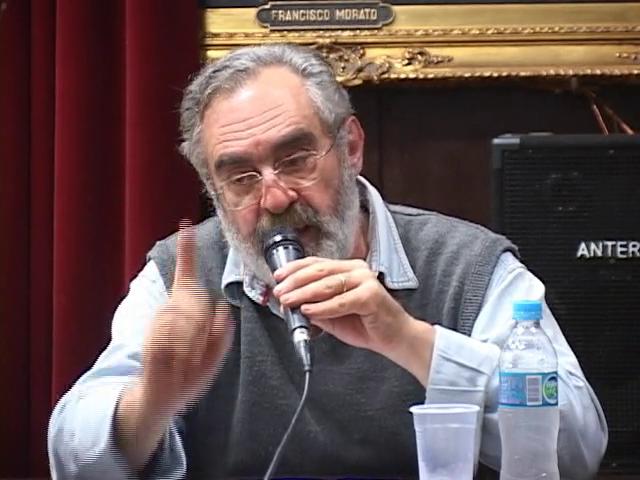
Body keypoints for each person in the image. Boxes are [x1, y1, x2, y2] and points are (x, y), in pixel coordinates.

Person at [48, 43, 607, 479]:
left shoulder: (469, 264)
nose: (274, 199)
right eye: (240, 177)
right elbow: (70, 458)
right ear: (211, 188)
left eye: (295, 159)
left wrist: (408, 339)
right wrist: (150, 402)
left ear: (351, 147)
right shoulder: (181, 277)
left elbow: (578, 449)